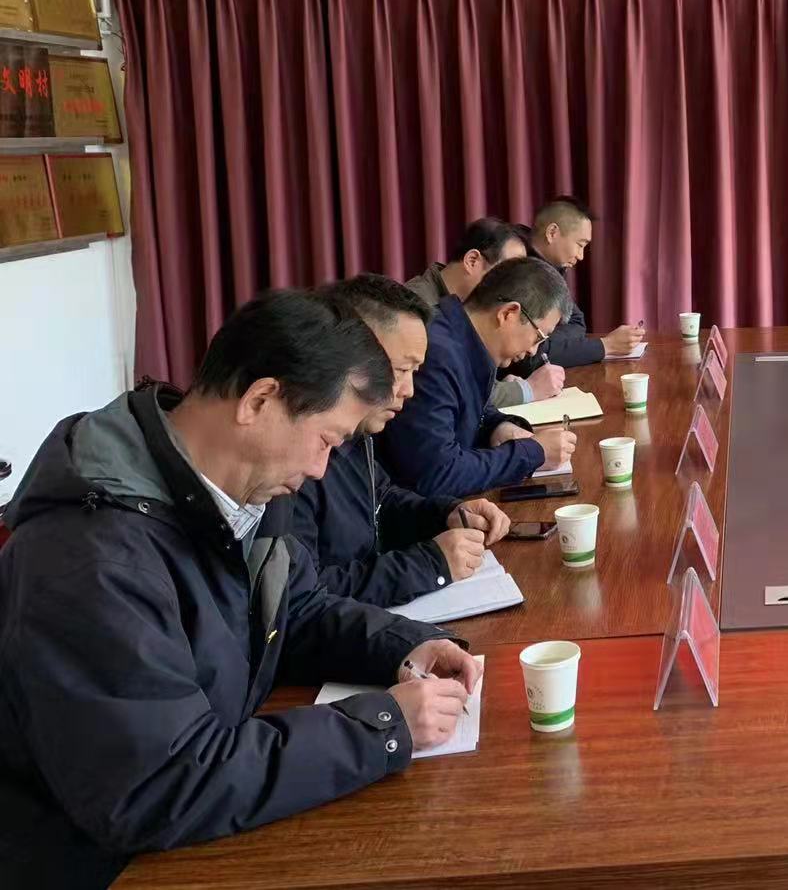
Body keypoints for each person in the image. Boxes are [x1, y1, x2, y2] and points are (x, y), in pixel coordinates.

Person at [0, 291, 481, 888]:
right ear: (260, 400)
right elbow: (160, 782)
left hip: (204, 817)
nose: (321, 470)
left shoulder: (242, 491)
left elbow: (295, 609)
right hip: (101, 864)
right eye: (326, 440)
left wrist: (403, 646)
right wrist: (381, 727)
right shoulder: (92, 558)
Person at [294, 275, 513, 608]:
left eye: (415, 371)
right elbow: (306, 599)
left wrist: (446, 514)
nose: (408, 390)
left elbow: (381, 500)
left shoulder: (359, 433)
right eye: (399, 371)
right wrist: (431, 564)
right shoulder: (294, 458)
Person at [379, 257, 575, 497]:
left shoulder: (465, 338)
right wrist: (532, 453)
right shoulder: (436, 353)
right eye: (539, 337)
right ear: (508, 313)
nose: (534, 351)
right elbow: (437, 474)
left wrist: (499, 427)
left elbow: (475, 409)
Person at [405, 217, 551, 409]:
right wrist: (527, 390)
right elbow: (448, 388)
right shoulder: (417, 309)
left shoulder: (467, 305)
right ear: (472, 261)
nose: (515, 288)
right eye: (507, 275)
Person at [515, 196, 645, 370]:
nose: (581, 256)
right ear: (552, 233)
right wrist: (606, 346)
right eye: (579, 244)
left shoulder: (552, 268)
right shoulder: (519, 269)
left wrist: (547, 342)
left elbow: (576, 321)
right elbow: (528, 355)